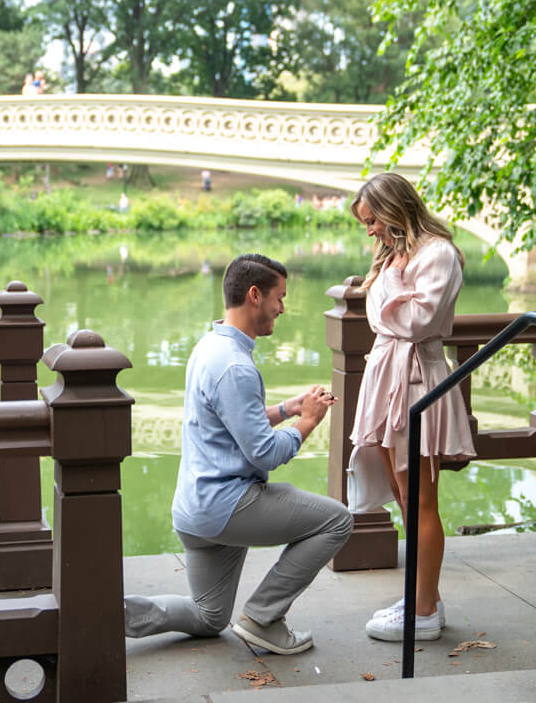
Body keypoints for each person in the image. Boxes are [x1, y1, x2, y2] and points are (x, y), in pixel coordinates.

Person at [124, 254, 354, 655]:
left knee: (208, 617)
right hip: (226, 506)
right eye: (279, 298)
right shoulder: (235, 365)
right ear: (254, 295)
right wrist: (309, 422)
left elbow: (231, 419)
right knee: (337, 521)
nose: (282, 308)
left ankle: (107, 614)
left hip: (195, 510)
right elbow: (264, 452)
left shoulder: (209, 345)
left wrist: (286, 409)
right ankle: (263, 617)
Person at [348, 172, 473, 642]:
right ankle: (425, 597)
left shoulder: (437, 254)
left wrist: (390, 281)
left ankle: (422, 615)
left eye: (373, 220)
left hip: (417, 380)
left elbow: (415, 321)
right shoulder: (396, 257)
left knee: (421, 500)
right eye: (366, 224)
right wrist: (388, 286)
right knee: (404, 499)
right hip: (387, 376)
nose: (371, 231)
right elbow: (382, 314)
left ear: (395, 209)